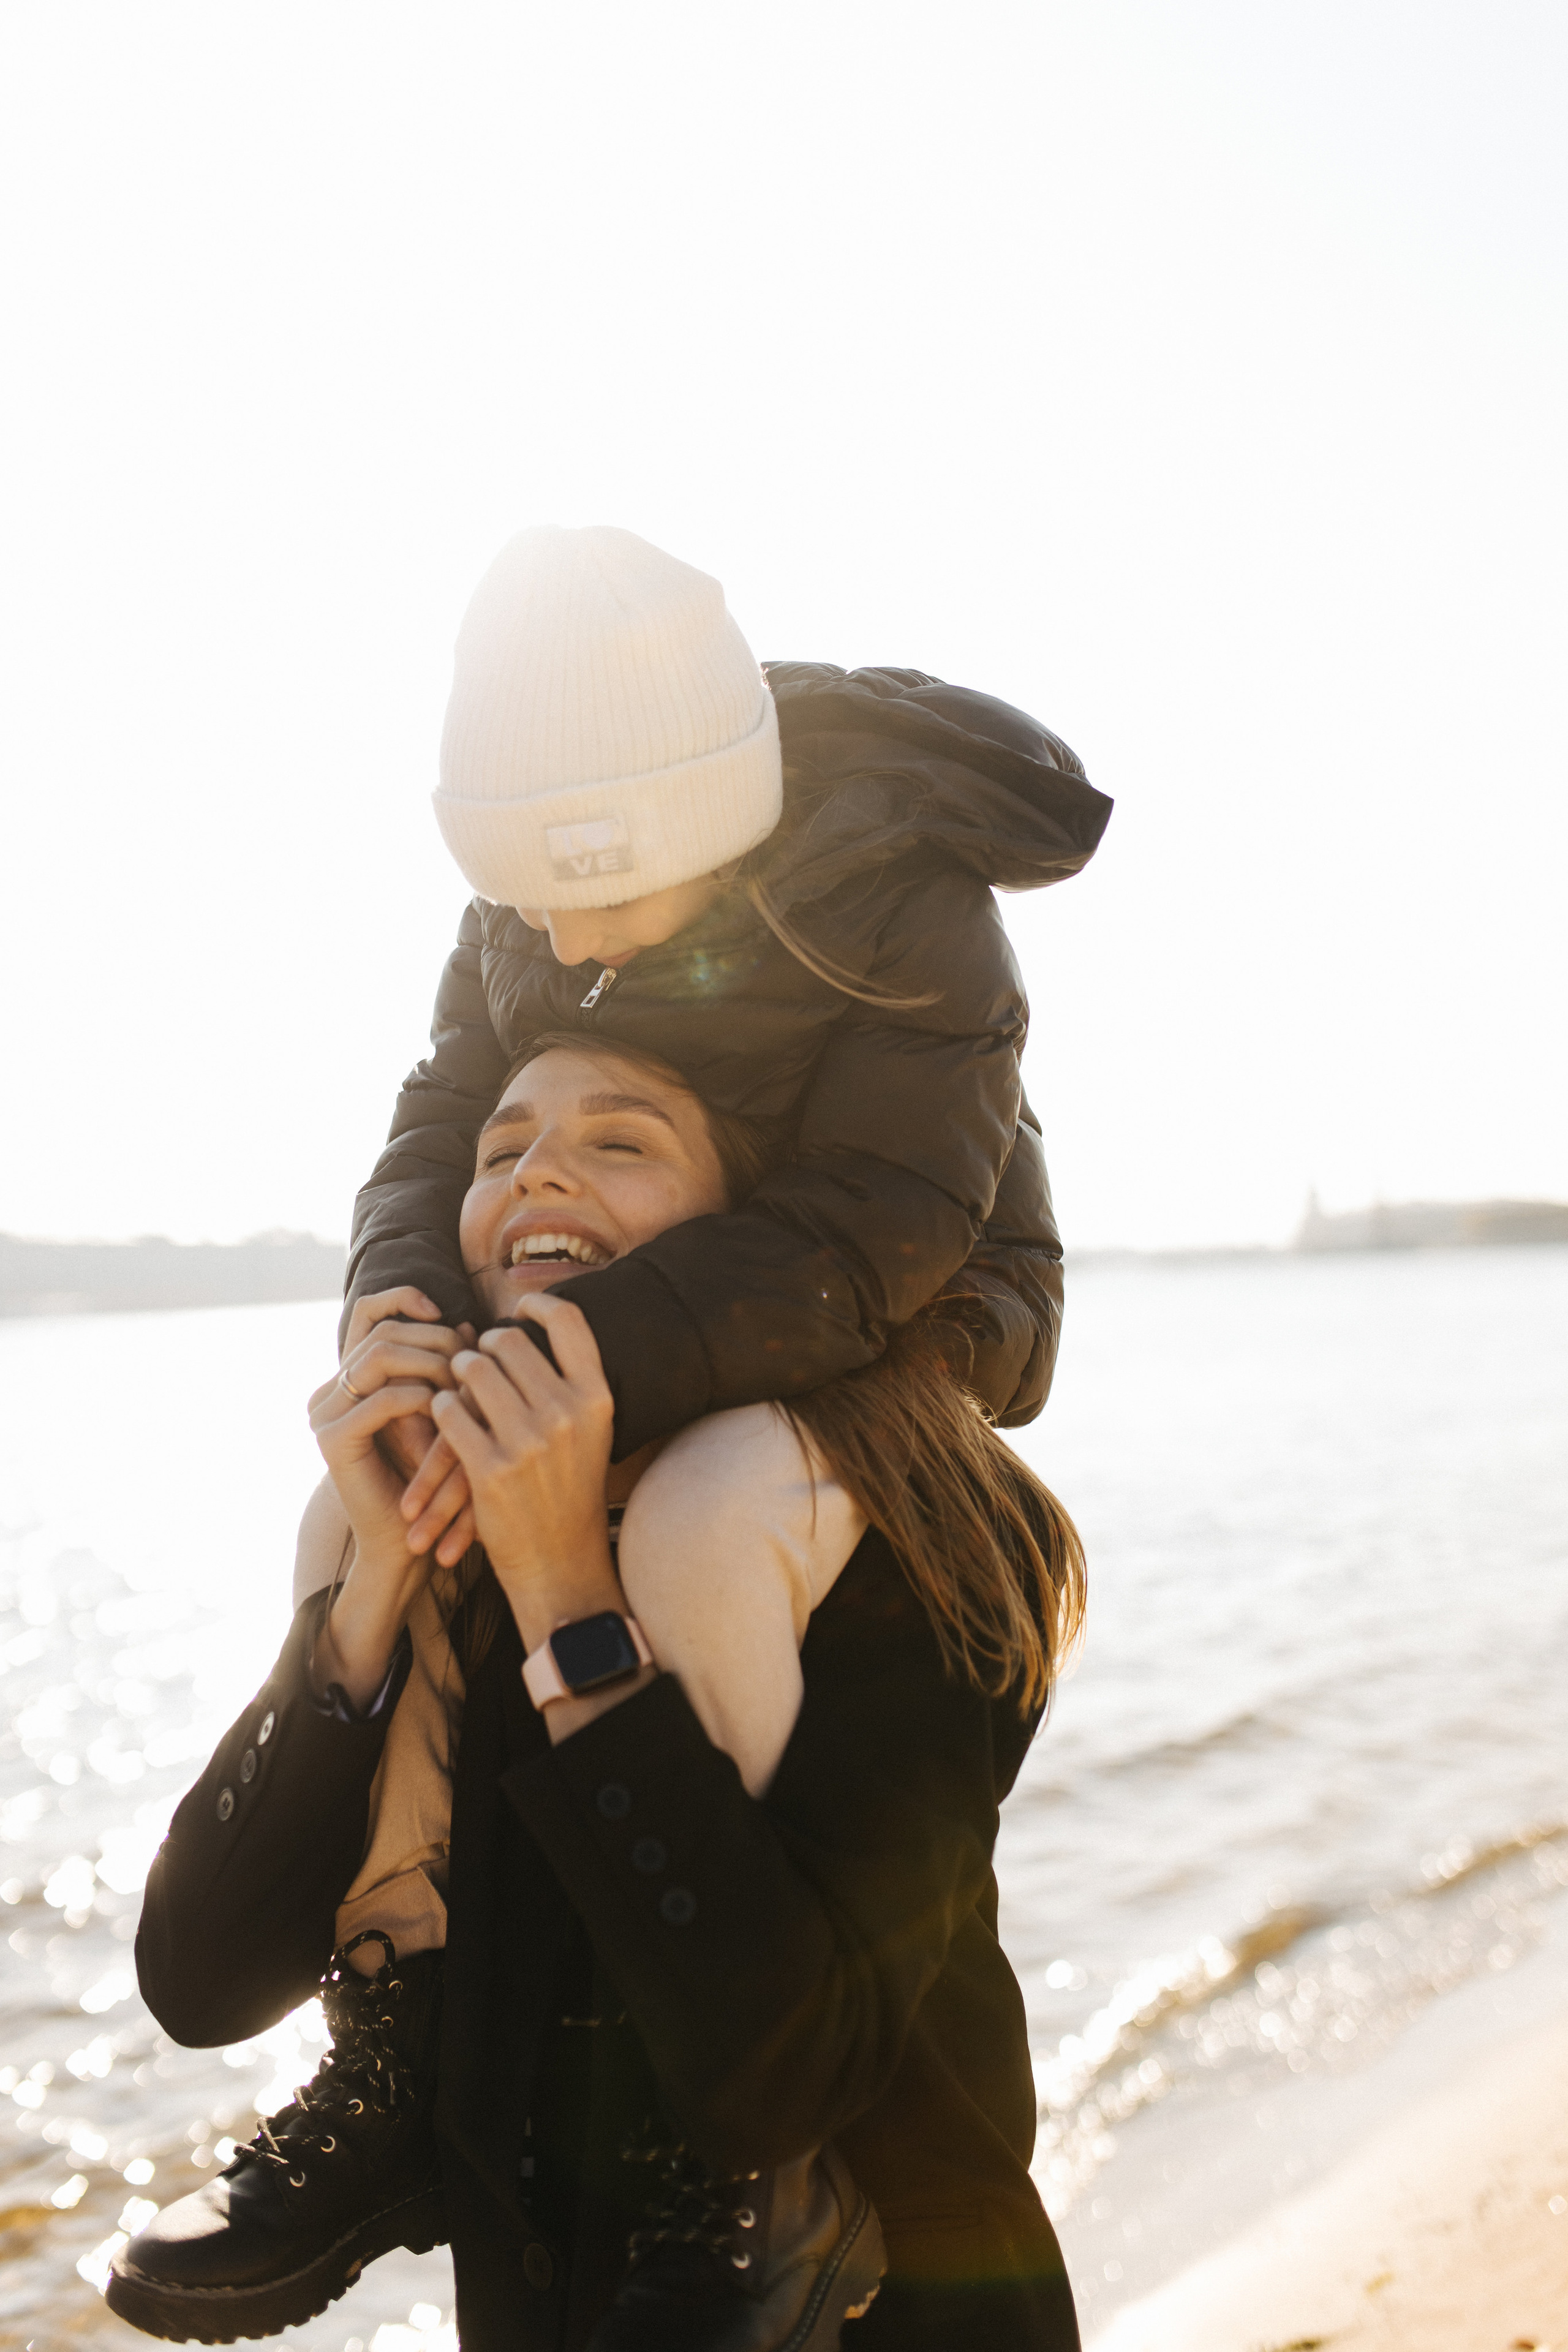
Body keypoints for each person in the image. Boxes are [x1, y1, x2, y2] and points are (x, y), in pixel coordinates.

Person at [115, 1038, 1087, 2351]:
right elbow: (201, 1984)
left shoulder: (879, 1531)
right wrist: (372, 1586)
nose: (536, 1175)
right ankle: (389, 2081)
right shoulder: (442, 1522)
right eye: (499, 1150)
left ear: (755, 1233)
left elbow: (780, 2080)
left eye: (621, 1142)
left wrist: (566, 1592)